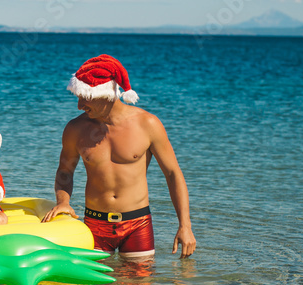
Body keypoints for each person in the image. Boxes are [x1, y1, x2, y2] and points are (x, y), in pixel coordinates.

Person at [42, 54, 197, 259]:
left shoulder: (147, 124)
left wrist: (185, 226)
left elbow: (172, 174)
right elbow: (65, 171)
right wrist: (63, 202)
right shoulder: (75, 129)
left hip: (137, 224)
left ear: (107, 93)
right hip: (95, 224)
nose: (79, 105)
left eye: (85, 97)